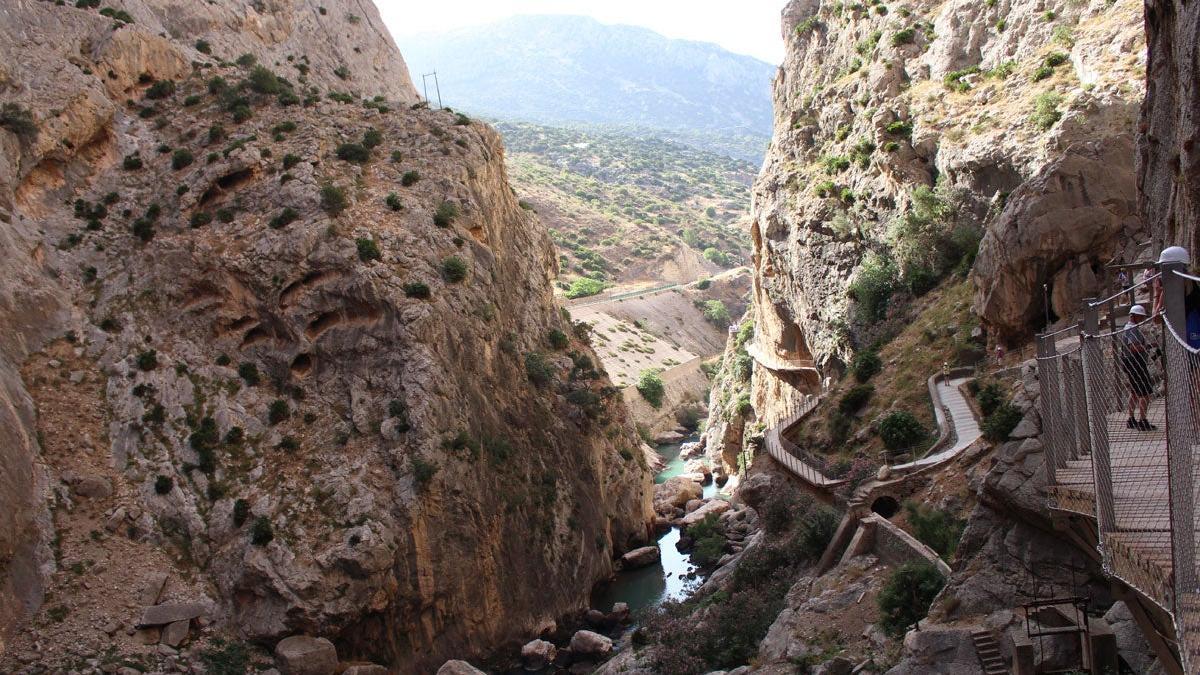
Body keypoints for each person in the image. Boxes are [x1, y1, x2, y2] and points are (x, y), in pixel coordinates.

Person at [1122, 304, 1156, 430]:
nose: (1142, 319)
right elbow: (1133, 347)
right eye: (1140, 317)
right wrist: (1148, 346)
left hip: (1130, 364)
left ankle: (1131, 419)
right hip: (1136, 364)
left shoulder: (1127, 327)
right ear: (1134, 316)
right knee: (1144, 393)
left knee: (1135, 392)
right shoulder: (1132, 329)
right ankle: (1142, 420)